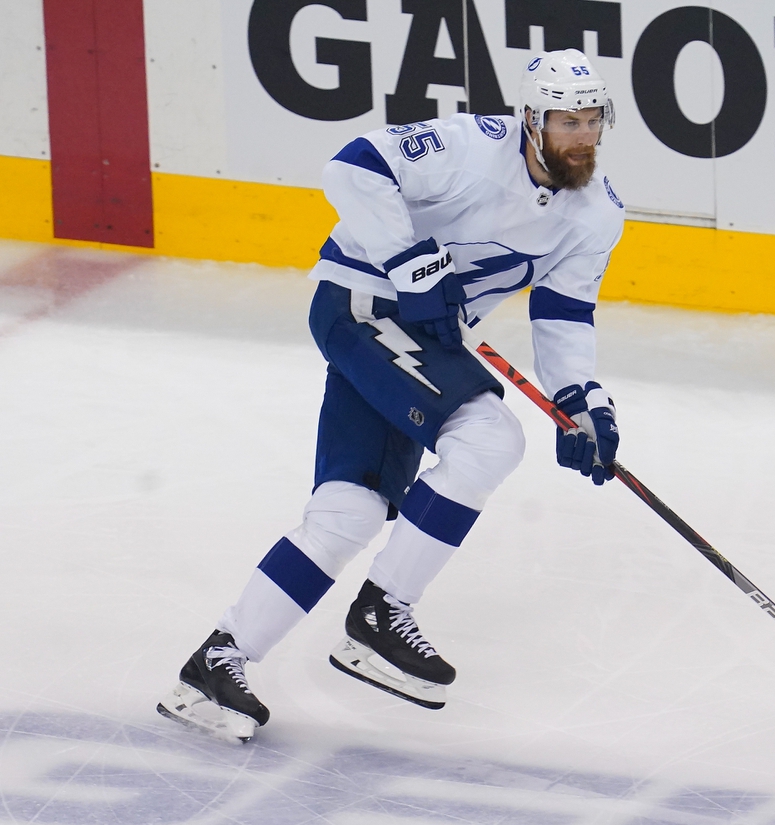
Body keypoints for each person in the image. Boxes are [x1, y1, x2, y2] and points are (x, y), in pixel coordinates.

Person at [157, 49, 625, 742]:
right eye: (566, 121)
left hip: (418, 338)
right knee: (489, 436)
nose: (581, 136)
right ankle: (382, 611)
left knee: (348, 511)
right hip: (362, 304)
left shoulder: (596, 215)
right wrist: (411, 262)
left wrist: (581, 401)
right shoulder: (470, 147)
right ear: (530, 120)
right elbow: (351, 166)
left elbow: (562, 318)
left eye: (592, 121)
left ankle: (214, 666)